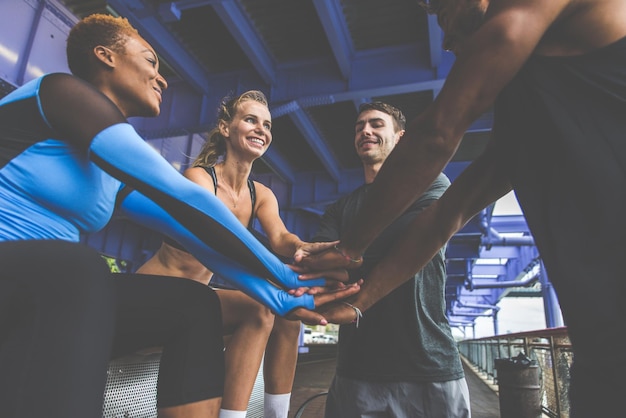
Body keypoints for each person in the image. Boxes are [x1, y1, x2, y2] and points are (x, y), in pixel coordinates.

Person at [0, 14, 356, 418]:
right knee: (80, 266)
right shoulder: (61, 92)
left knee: (195, 305)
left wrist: (277, 296)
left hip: (54, 291)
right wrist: (284, 274)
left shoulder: (109, 178)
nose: (162, 78)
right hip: (19, 276)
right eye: (151, 61)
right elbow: (184, 197)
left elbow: (192, 232)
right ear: (105, 56)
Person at [295, 1, 626, 416]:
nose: (446, 39)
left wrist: (351, 247)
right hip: (601, 343)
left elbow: (438, 133)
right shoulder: (522, 122)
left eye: (438, 10)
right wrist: (360, 303)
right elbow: (443, 221)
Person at [137, 90, 335, 418]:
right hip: (158, 296)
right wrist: (278, 280)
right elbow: (223, 240)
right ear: (226, 128)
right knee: (261, 308)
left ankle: (276, 414)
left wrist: (302, 248)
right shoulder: (199, 179)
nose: (262, 129)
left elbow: (280, 237)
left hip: (196, 303)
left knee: (290, 314)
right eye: (250, 120)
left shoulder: (261, 194)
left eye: (267, 124)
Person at [308, 102, 469, 417]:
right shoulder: (340, 209)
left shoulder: (434, 185)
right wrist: (335, 261)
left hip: (429, 365)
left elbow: (416, 245)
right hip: (357, 370)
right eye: (359, 127)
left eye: (376, 124)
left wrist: (347, 256)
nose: (365, 130)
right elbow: (325, 265)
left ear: (400, 137)